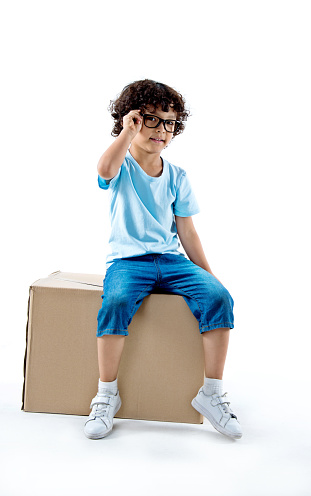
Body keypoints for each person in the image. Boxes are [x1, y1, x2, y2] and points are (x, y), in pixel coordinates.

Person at [84, 79, 242, 440]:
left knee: (219, 298)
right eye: (151, 120)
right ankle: (106, 396)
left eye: (169, 123)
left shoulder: (177, 176)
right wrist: (127, 132)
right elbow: (104, 170)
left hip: (170, 261)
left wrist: (210, 277)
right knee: (118, 301)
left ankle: (212, 394)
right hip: (128, 261)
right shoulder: (121, 166)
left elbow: (187, 233)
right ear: (133, 120)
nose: (162, 130)